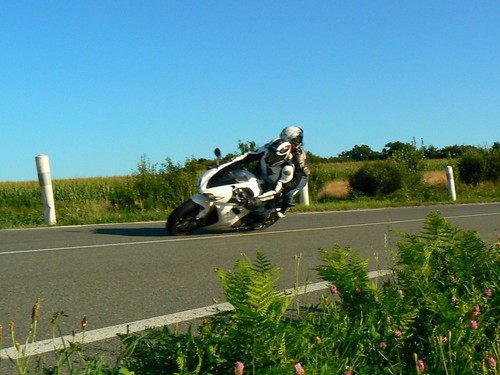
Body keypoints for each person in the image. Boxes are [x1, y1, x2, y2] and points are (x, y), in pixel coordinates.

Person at [278, 126, 310, 208]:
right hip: (285, 174)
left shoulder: (298, 153)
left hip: (300, 176)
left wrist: (289, 185)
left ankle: (286, 204)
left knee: (287, 192)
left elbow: (299, 172)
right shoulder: (282, 149)